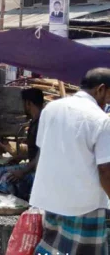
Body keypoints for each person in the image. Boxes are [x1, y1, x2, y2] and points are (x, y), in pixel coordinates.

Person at [31, 68, 110, 255]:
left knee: (53, 248)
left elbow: (43, 150)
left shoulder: (50, 109)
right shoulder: (101, 120)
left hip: (51, 198)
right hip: (85, 204)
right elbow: (105, 171)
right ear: (100, 89)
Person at [0, 88, 44, 201]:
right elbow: (35, 151)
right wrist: (20, 157)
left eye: (23, 103)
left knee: (7, 179)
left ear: (28, 103)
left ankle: (0, 211)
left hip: (40, 171)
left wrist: (23, 171)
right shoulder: (34, 121)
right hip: (32, 167)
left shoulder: (43, 122)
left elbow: (42, 155)